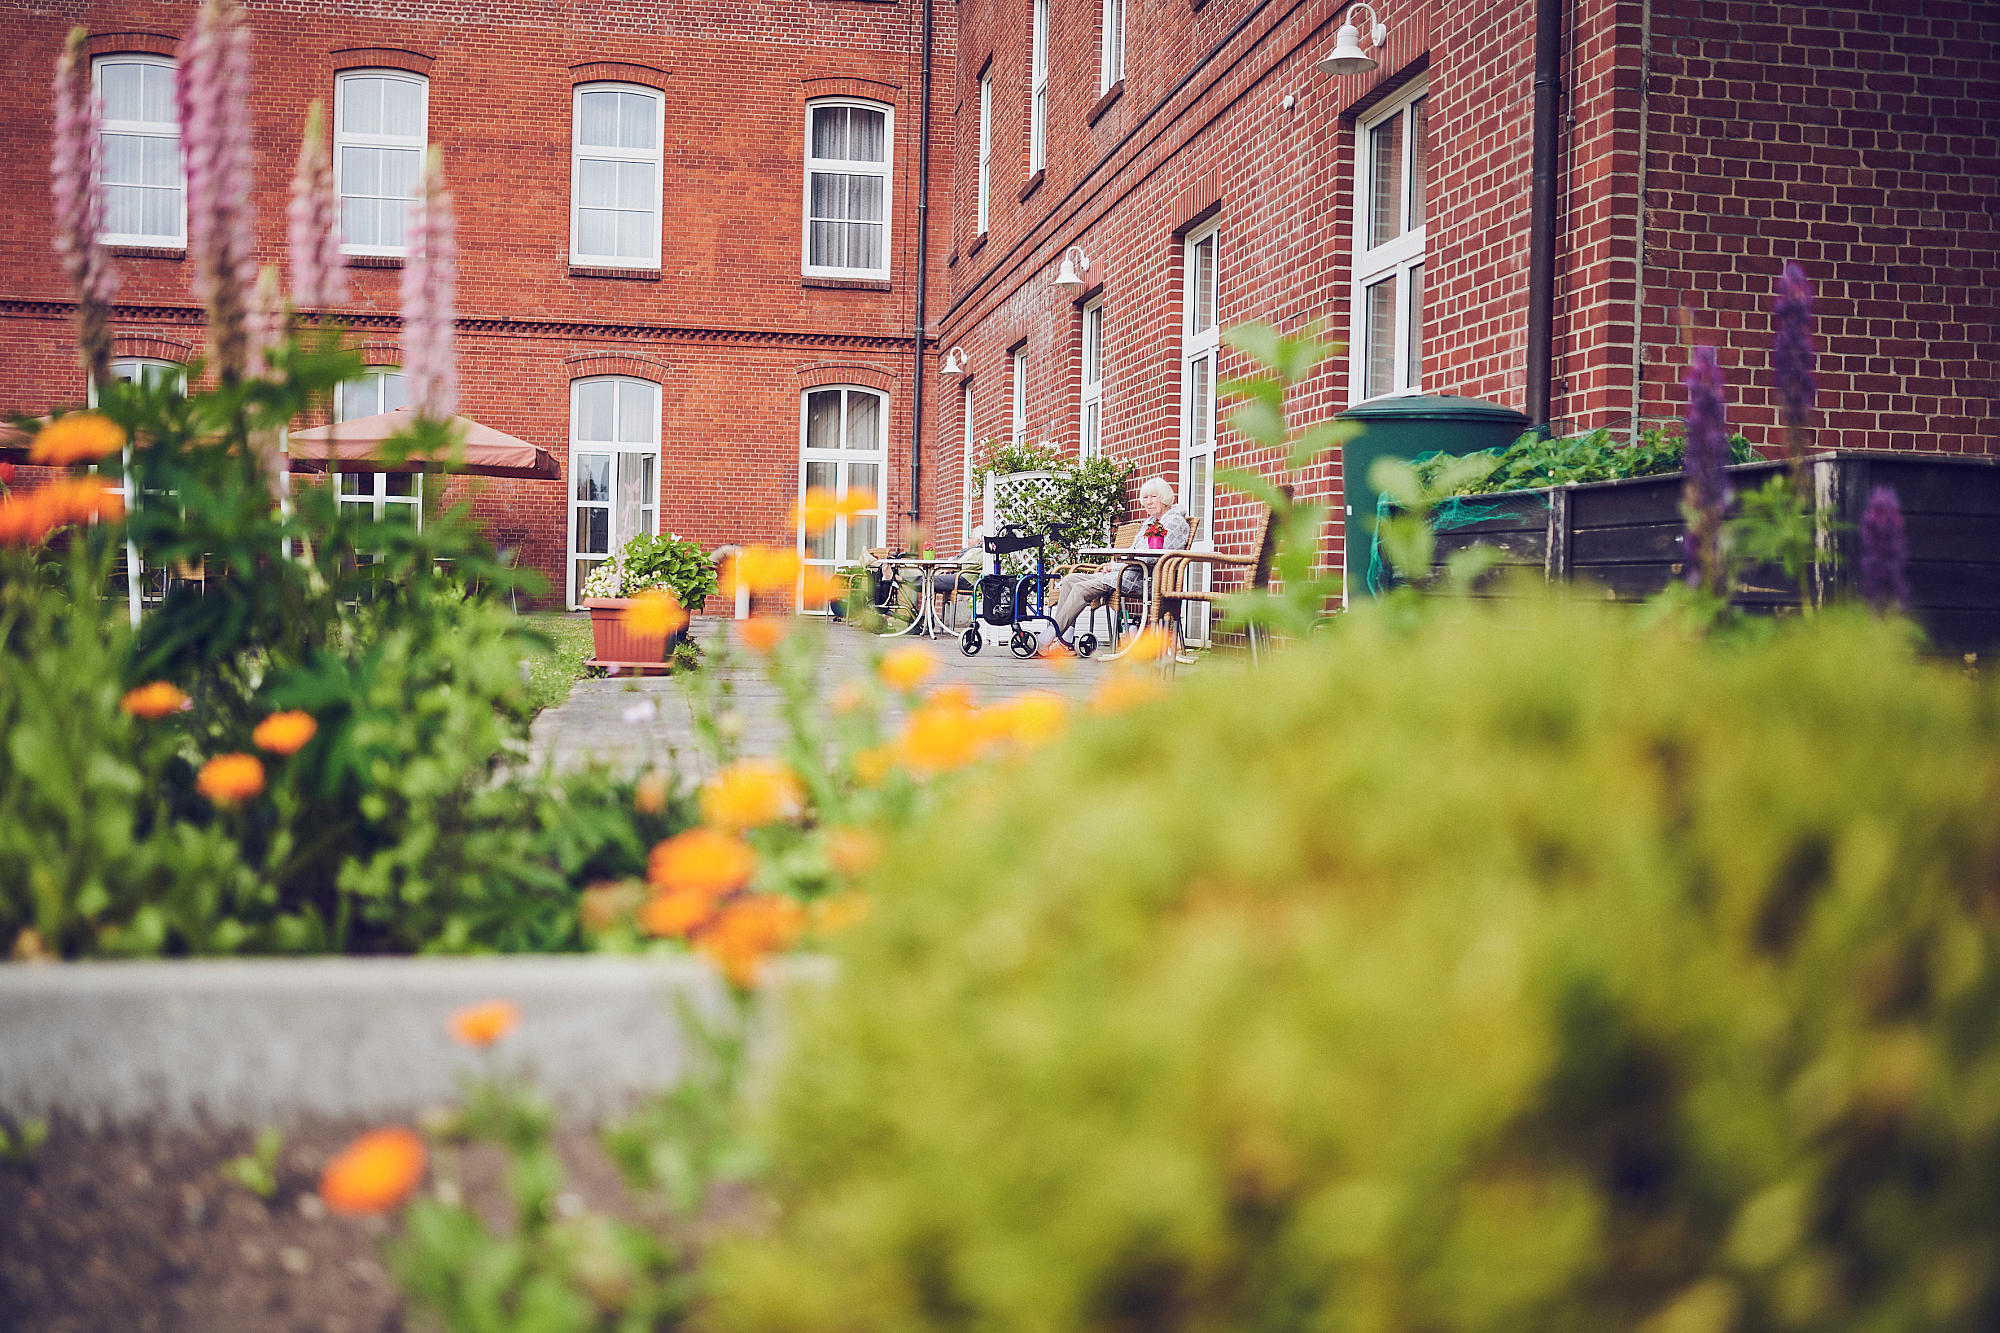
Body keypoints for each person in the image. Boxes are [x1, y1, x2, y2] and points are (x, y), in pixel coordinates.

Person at [1050, 476, 1189, 635]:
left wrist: (1116, 566)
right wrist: (1114, 567)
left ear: (1164, 497)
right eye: (1145, 498)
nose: (1148, 502)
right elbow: (1133, 551)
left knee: (1081, 588)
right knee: (1069, 580)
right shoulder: (1150, 523)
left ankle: (1051, 635)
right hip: (1130, 572)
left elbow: (1154, 557)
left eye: (1153, 497)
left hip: (1148, 578)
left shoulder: (1174, 522)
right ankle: (1064, 640)